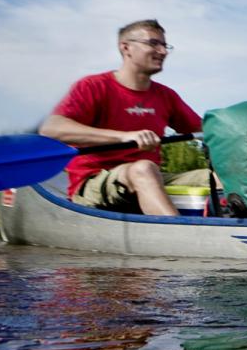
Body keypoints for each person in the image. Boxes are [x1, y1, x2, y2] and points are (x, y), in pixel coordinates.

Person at [39, 19, 206, 216]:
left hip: (150, 177)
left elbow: (202, 129)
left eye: (164, 45)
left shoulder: (166, 95)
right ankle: (179, 233)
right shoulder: (92, 86)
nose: (162, 51)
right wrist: (124, 137)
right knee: (143, 169)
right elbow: (51, 129)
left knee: (219, 177)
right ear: (126, 47)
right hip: (94, 182)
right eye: (153, 43)